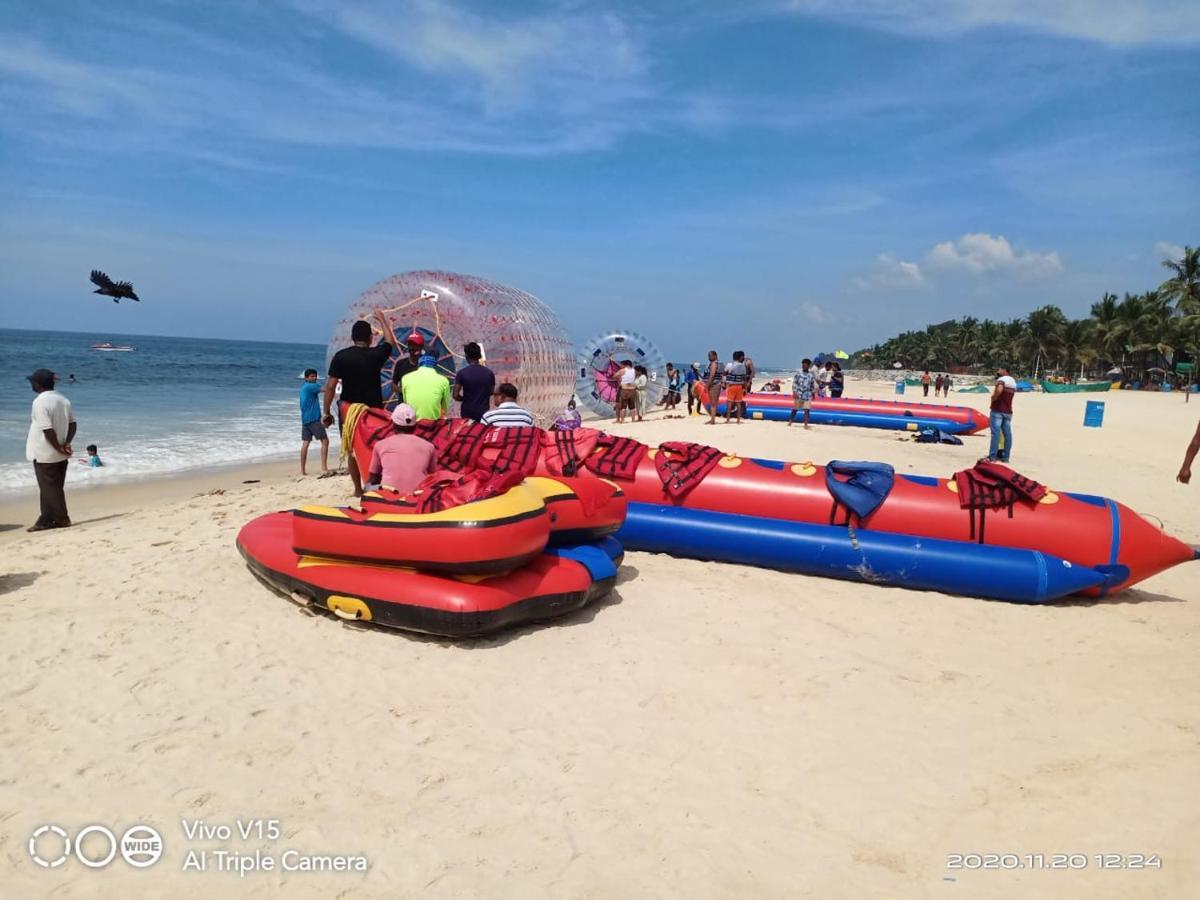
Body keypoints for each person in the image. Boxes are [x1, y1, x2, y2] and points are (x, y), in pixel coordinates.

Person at [322, 319, 393, 496]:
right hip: (373, 413)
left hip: (349, 411)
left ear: (352, 338)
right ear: (370, 338)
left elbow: (330, 386)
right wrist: (382, 318)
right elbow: (390, 341)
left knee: (351, 450)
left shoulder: (341, 356)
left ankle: (357, 489)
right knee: (375, 448)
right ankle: (375, 486)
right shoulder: (377, 355)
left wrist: (326, 412)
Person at [25, 368, 76, 532]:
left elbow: (47, 429)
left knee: (49, 488)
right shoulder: (63, 399)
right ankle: (46, 519)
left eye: (32, 382)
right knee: (51, 488)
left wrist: (58, 448)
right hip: (59, 451)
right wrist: (66, 443)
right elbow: (73, 424)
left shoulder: (40, 402)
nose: (31, 384)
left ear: (38, 384)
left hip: (45, 452)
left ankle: (61, 518)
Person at [366, 403, 436, 493]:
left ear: (393, 424)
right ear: (415, 426)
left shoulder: (380, 445)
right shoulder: (429, 446)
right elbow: (432, 476)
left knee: (367, 487)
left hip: (390, 496)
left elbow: (373, 479)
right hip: (417, 497)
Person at [452, 342, 495, 422]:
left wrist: (466, 399)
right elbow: (491, 392)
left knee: (468, 433)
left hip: (467, 413)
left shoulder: (462, 373)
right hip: (484, 413)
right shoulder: (489, 373)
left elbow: (455, 395)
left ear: (467, 357)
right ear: (479, 356)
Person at [402, 354, 451, 421]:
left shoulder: (405, 378)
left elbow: (406, 402)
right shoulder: (444, 381)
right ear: (434, 366)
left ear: (419, 365)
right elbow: (444, 408)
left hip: (411, 423)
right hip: (432, 424)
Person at [298, 368, 329, 476]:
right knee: (325, 441)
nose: (314, 378)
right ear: (306, 378)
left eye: (315, 376)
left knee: (306, 443)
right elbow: (328, 389)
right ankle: (324, 467)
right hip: (314, 419)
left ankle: (302, 471)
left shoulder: (304, 388)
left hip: (305, 419)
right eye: (311, 376)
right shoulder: (312, 386)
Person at [987, 367, 1018, 463]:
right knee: (1007, 434)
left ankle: (992, 457)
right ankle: (1006, 457)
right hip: (1008, 411)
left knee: (995, 433)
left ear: (1004, 370)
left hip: (998, 410)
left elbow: (1000, 390)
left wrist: (993, 398)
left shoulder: (1001, 380)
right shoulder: (1013, 381)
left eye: (999, 369)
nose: (997, 371)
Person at [390, 331, 426, 402]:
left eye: (415, 345)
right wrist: (404, 391)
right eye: (410, 345)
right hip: (403, 404)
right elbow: (393, 385)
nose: (412, 348)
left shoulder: (425, 366)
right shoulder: (400, 364)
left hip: (420, 403)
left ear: (421, 347)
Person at [788, 359, 816, 429]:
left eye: (805, 365)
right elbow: (794, 383)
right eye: (803, 365)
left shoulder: (810, 375)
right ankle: (790, 422)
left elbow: (812, 385)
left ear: (808, 366)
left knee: (807, 410)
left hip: (807, 395)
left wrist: (813, 394)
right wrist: (794, 392)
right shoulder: (798, 374)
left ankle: (805, 425)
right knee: (795, 409)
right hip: (799, 394)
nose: (803, 366)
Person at [724, 351, 748, 424]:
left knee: (729, 403)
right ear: (740, 357)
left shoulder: (729, 365)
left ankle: (728, 419)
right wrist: (745, 388)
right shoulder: (743, 366)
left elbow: (724, 373)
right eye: (743, 357)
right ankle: (738, 420)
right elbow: (744, 378)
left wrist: (724, 382)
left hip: (731, 386)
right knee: (738, 403)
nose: (743, 358)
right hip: (740, 386)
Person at [703, 350, 722, 425]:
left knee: (713, 403)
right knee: (713, 403)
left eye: (710, 356)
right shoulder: (717, 363)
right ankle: (712, 419)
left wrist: (707, 385)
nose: (708, 358)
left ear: (715, 356)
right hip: (715, 384)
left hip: (714, 385)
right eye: (708, 356)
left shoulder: (714, 364)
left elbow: (712, 375)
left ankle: (712, 420)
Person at [615, 359, 637, 424]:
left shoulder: (623, 370)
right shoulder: (634, 371)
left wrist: (620, 378)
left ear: (625, 365)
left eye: (621, 364)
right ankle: (633, 420)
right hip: (632, 389)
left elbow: (614, 376)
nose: (620, 366)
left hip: (624, 389)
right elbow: (636, 378)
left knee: (623, 406)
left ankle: (622, 420)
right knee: (632, 406)